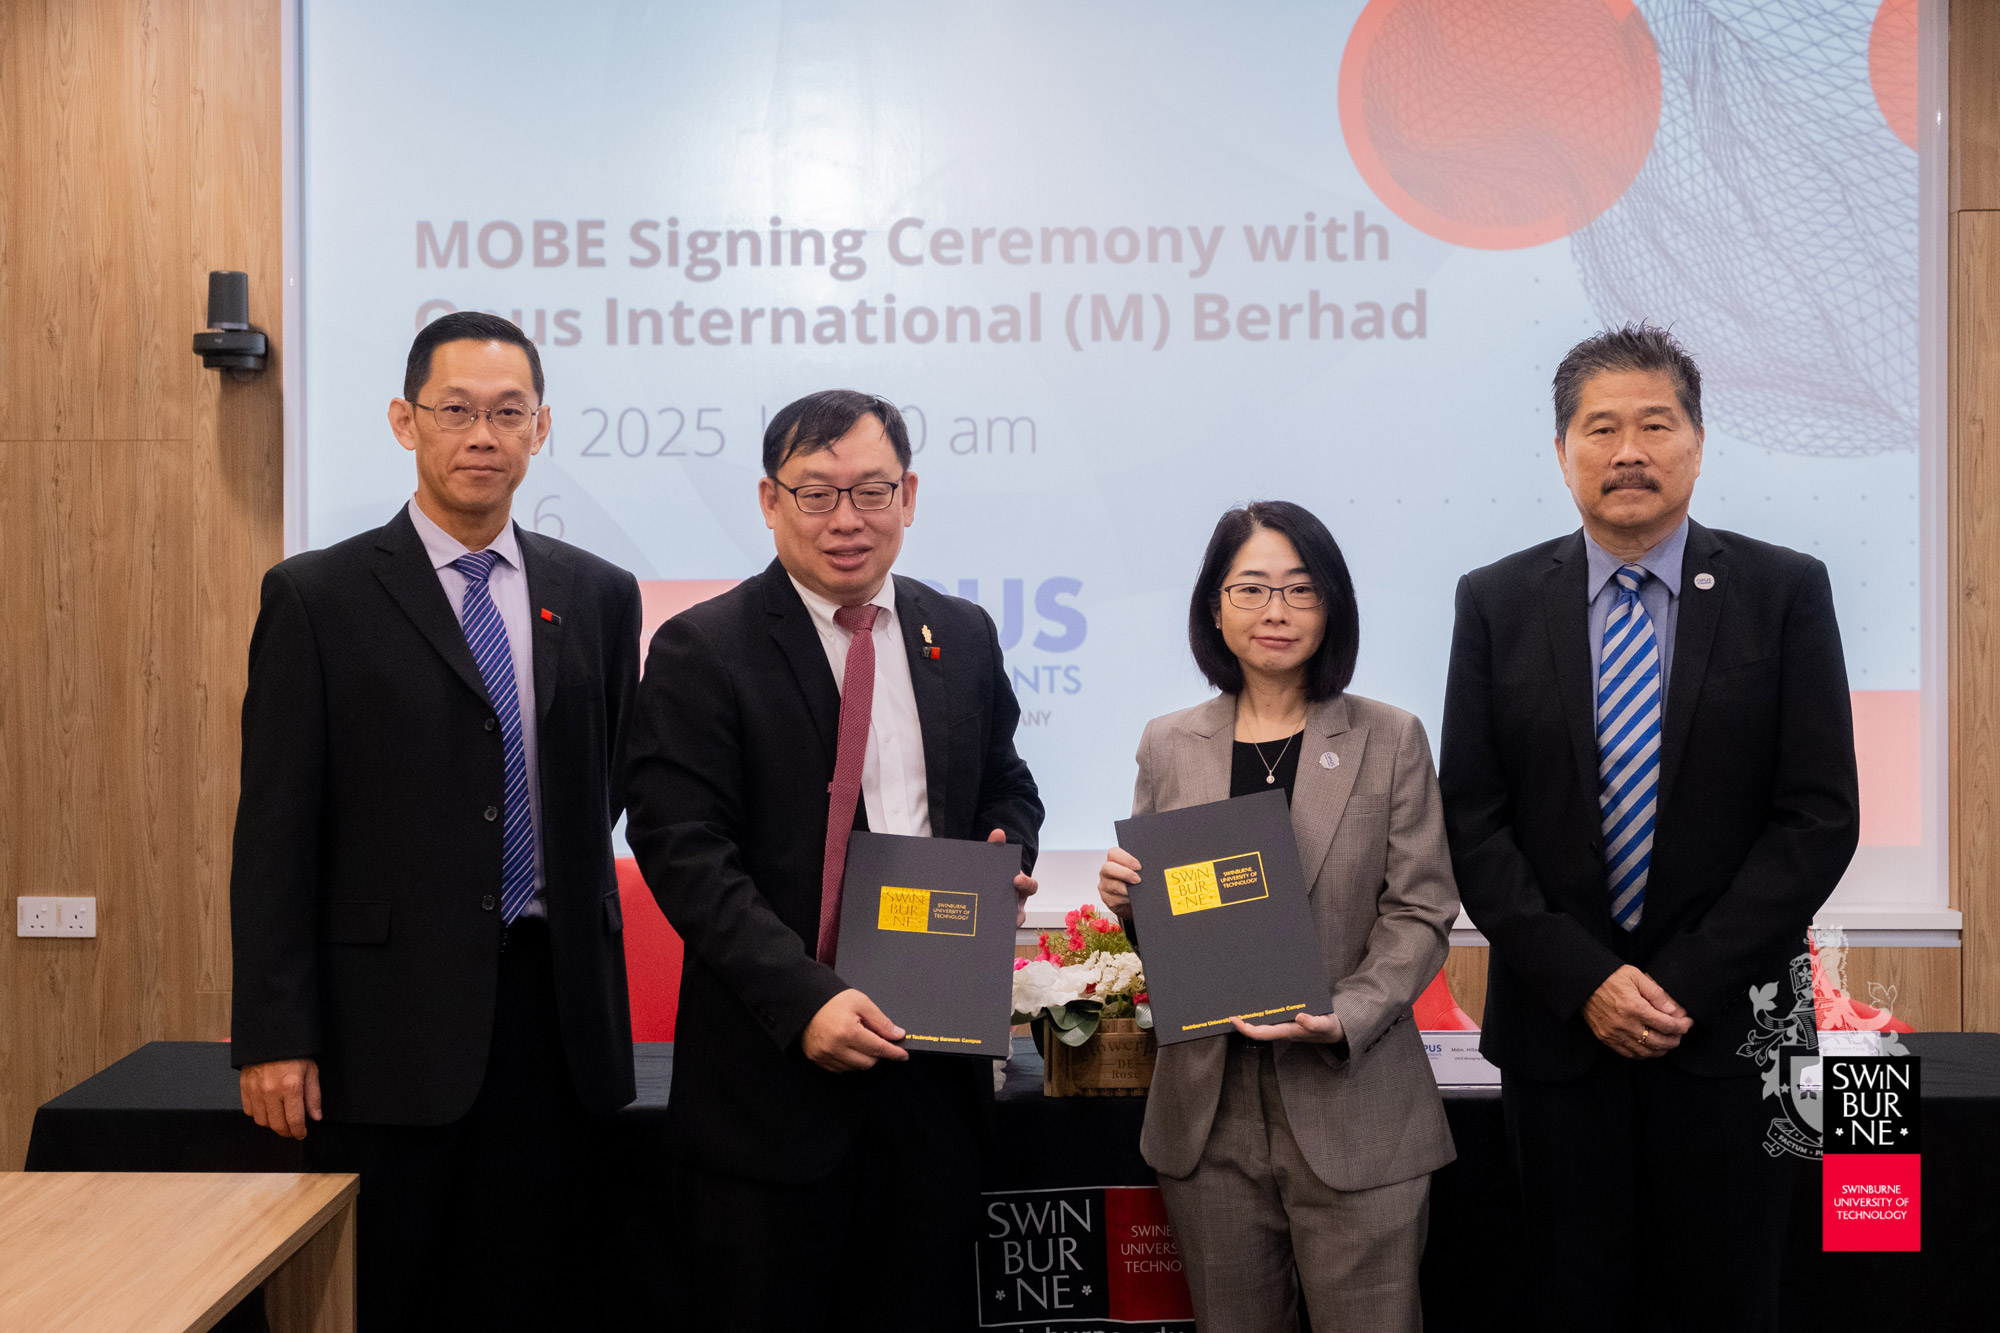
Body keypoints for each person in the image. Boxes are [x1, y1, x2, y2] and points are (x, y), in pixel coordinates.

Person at [1439, 323, 1859, 1330]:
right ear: (1560, 453)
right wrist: (1585, 980)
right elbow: (1471, 816)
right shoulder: (1494, 601)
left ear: (1698, 443)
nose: (1626, 450)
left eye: (1653, 424)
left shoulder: (1781, 589)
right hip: (1558, 1035)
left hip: (1730, 1032)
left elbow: (1817, 814)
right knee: (1568, 1297)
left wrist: (1678, 979)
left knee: (1729, 1298)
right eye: (1599, 428)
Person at [229, 311, 643, 1331]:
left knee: (544, 1289)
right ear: (403, 421)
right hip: (384, 1030)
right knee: (394, 1295)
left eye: (507, 413)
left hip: (557, 1017)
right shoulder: (317, 597)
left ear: (540, 429)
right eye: (454, 410)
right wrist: (273, 1035)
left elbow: (609, 779)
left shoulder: (598, 594)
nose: (481, 435)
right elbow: (274, 834)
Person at [624, 389, 1044, 1332]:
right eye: (816, 493)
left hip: (932, 1082)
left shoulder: (961, 635)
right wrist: (805, 997)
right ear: (770, 502)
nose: (846, 519)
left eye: (871, 490)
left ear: (910, 495)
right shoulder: (704, 648)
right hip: (770, 1094)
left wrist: (1001, 855)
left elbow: (1008, 784)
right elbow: (684, 850)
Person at [1097, 501, 1458, 1333]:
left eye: (1300, 590)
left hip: (1354, 1103)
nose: (1276, 611)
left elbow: (1423, 908)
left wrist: (1346, 1015)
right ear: (1214, 607)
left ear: (1331, 605)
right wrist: (1131, 903)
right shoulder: (1169, 742)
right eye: (1251, 588)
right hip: (1207, 1115)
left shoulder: (1390, 736)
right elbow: (1181, 925)